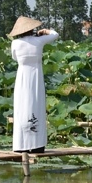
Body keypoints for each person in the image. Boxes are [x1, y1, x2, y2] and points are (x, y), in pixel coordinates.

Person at [9, 17, 58, 153]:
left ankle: (21, 145)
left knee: (22, 107)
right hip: (36, 75)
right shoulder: (38, 41)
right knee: (36, 105)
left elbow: (15, 57)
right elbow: (55, 34)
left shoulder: (15, 44)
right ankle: (37, 145)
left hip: (22, 76)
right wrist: (45, 31)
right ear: (31, 29)